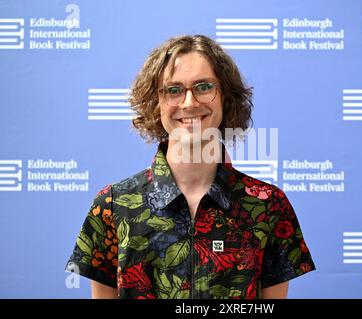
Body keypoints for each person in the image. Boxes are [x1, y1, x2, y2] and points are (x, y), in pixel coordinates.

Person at [65, 34, 315, 299]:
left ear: (225, 97)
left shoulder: (269, 206)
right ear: (155, 102)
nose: (189, 102)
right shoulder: (113, 206)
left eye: (204, 87)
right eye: (173, 90)